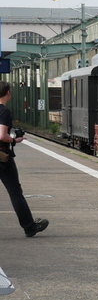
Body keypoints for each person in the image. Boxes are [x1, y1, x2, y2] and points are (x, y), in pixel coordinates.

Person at [0, 81, 49, 237]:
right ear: (8, 93)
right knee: (15, 192)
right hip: (2, 158)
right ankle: (29, 227)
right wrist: (14, 140)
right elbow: (2, 135)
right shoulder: (4, 111)